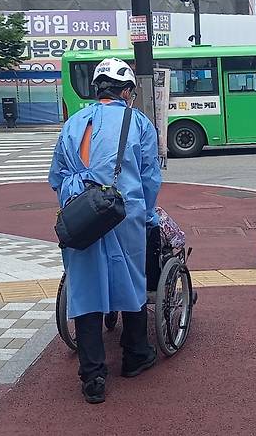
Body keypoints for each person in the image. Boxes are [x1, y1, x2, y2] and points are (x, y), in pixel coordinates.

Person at [49, 58, 162, 404]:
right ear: (126, 91)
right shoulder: (138, 122)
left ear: (98, 89)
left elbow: (56, 176)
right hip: (122, 213)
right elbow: (149, 179)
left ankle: (93, 376)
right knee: (131, 281)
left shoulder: (74, 122)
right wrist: (149, 214)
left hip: (80, 212)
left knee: (84, 289)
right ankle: (134, 356)